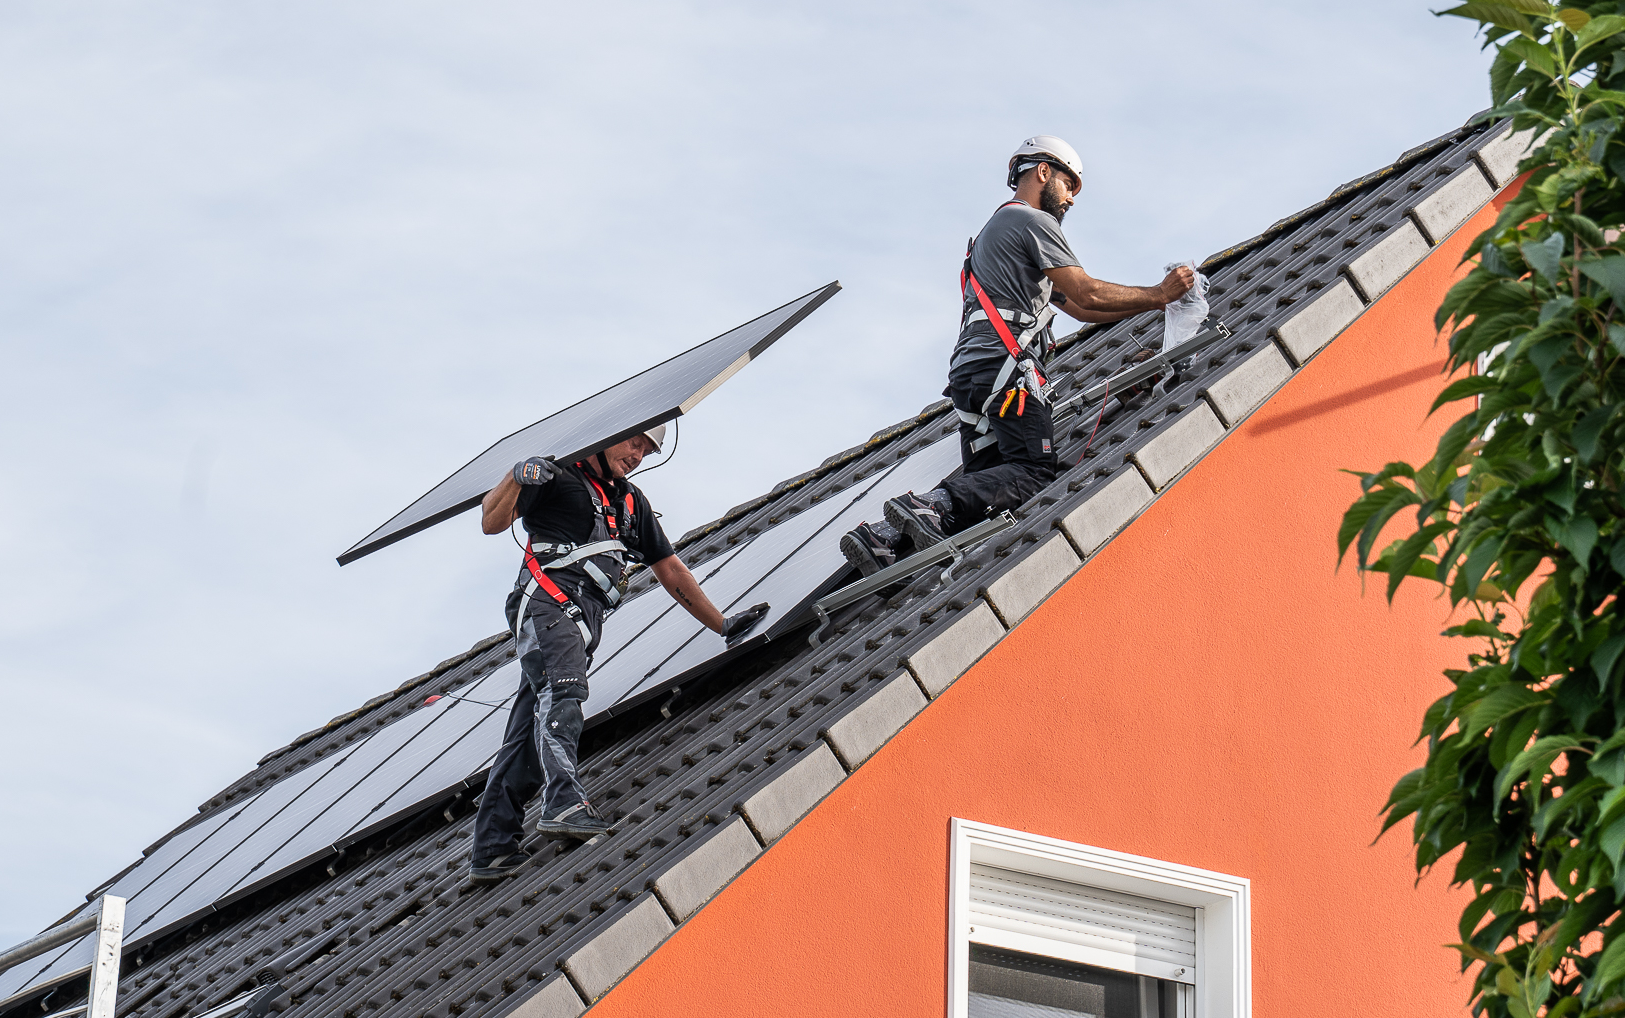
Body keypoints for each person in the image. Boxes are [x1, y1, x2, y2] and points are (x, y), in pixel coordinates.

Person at [841, 136, 1199, 574]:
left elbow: (1083, 310)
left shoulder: (993, 239)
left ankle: (882, 536)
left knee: (990, 488)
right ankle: (922, 506)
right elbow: (1084, 289)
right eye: (1070, 184)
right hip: (1006, 370)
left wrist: (1154, 304)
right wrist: (1160, 293)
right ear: (1043, 171)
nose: (1071, 198)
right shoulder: (1032, 223)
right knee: (1033, 472)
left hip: (974, 376)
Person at [469, 426, 768, 882]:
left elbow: (669, 568)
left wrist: (722, 623)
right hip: (548, 606)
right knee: (564, 695)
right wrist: (516, 475)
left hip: (581, 621)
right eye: (635, 443)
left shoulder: (630, 503)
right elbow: (492, 522)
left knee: (530, 731)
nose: (639, 455)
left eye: (648, 450)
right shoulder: (557, 477)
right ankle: (564, 805)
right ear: (611, 434)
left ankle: (492, 848)